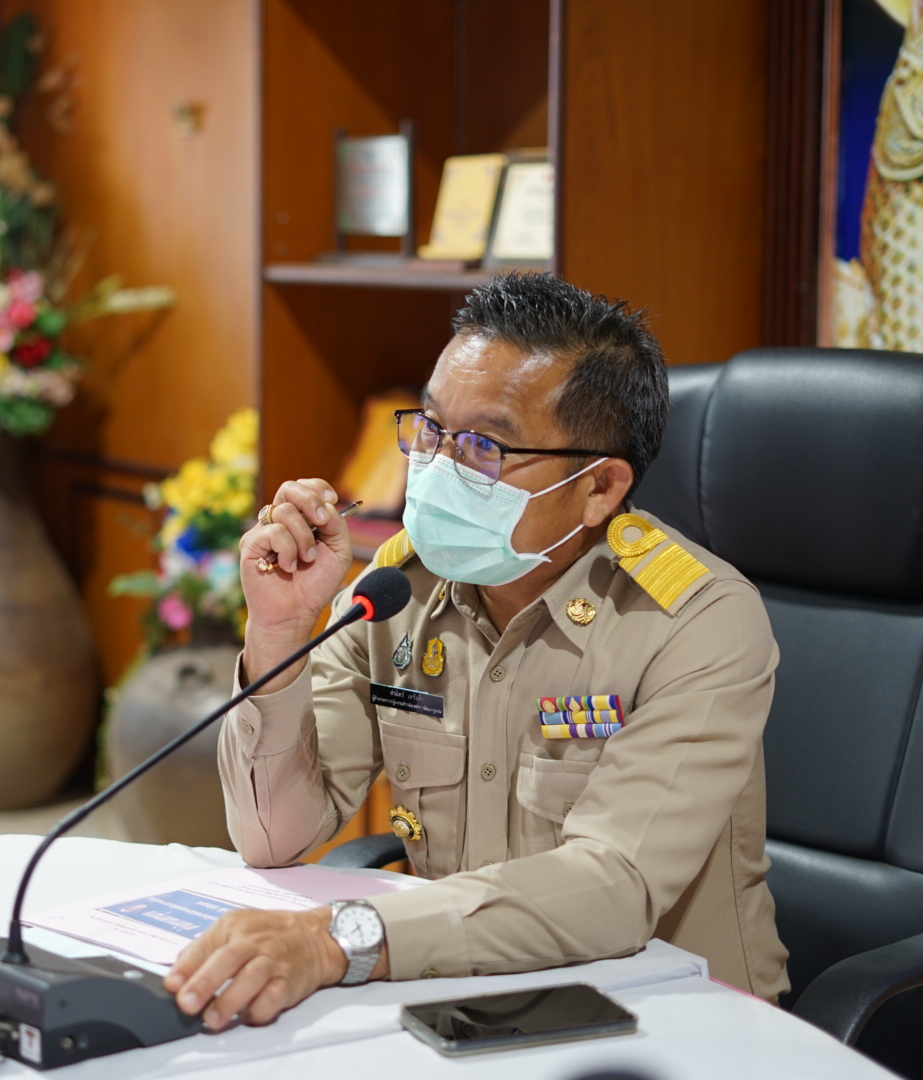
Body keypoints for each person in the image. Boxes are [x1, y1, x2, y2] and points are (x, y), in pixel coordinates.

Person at [161, 272, 788, 1031]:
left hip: (672, 1019)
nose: (437, 467)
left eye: (484, 446)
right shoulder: (397, 591)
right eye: (430, 429)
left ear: (599, 488)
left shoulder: (697, 621)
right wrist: (281, 635)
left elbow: (614, 885)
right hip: (457, 1000)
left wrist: (343, 939)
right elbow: (275, 838)